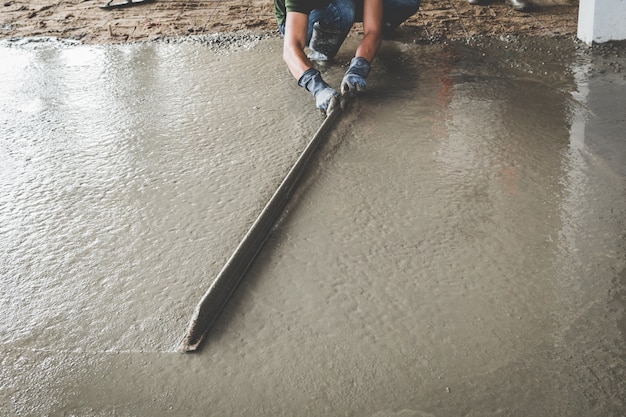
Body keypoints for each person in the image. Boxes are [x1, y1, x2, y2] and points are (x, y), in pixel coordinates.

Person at [274, 0, 421, 114]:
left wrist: (359, 66)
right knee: (344, 9)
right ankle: (321, 51)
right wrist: (316, 86)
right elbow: (290, 48)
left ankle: (384, 28)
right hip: (297, 21)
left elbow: (373, 31)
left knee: (407, 1)